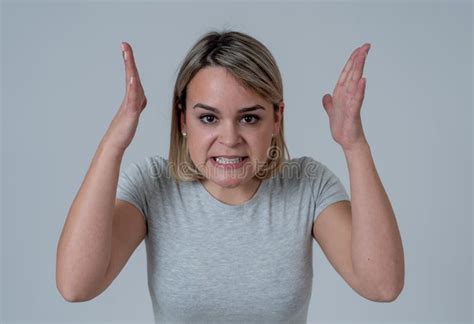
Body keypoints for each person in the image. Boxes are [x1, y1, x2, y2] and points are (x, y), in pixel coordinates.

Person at [56, 30, 405, 323]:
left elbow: (382, 285)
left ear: (276, 118)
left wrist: (354, 145)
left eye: (249, 118)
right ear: (182, 120)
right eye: (208, 118)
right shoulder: (153, 184)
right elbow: (76, 285)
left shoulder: (308, 184)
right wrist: (113, 143)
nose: (230, 138)